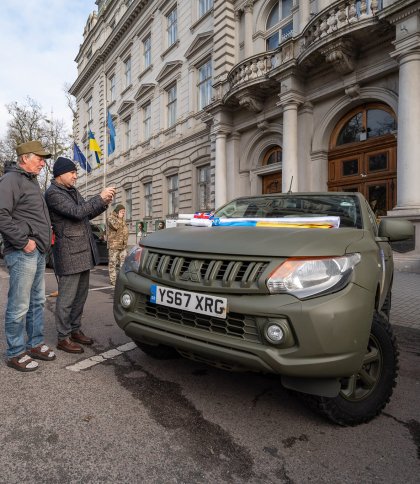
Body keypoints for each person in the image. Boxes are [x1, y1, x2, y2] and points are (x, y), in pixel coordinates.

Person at [45, 157, 115, 353]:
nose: (76, 176)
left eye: (76, 172)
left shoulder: (71, 191)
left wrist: (103, 203)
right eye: (72, 172)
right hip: (69, 253)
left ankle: (75, 330)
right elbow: (76, 212)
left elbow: (86, 213)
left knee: (80, 297)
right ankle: (63, 337)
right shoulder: (53, 194)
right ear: (60, 174)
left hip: (82, 252)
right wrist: (99, 197)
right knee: (66, 299)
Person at [0, 140, 56, 371]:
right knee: (19, 305)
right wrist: (23, 242)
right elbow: (1, 214)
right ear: (25, 158)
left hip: (37, 252)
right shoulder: (11, 180)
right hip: (23, 252)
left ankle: (34, 344)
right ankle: (15, 352)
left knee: (36, 302)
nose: (43, 163)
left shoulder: (31, 182)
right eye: (39, 158)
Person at [107, 204, 129, 286]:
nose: (123, 213)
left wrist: (125, 244)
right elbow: (115, 226)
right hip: (114, 246)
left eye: (124, 211)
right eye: (122, 211)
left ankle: (121, 279)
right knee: (113, 263)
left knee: (123, 264)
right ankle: (113, 280)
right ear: (117, 211)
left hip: (123, 246)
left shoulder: (122, 220)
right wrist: (119, 218)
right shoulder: (110, 218)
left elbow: (125, 231)